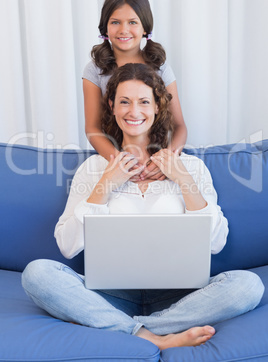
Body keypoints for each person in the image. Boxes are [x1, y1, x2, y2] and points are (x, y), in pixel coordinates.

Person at [22, 64, 264, 350]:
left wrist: (184, 180)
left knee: (249, 286)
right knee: (36, 273)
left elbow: (217, 243)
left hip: (181, 296)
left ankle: (120, 326)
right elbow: (67, 245)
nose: (133, 111)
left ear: (158, 107)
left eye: (144, 101)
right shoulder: (94, 168)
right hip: (109, 293)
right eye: (124, 101)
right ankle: (154, 336)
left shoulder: (190, 167)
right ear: (111, 106)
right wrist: (105, 184)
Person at [83, 0, 187, 182]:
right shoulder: (94, 70)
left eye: (132, 22)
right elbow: (93, 129)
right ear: (105, 27)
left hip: (158, 159)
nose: (124, 30)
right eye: (115, 22)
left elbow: (180, 126)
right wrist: (121, 163)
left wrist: (166, 162)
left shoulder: (160, 67)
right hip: (116, 159)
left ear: (145, 27)